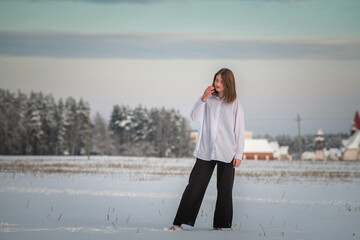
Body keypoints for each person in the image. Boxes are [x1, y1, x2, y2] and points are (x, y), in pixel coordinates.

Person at [170, 68, 245, 231]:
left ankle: (220, 226)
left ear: (228, 83)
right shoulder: (207, 100)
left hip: (227, 152)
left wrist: (238, 154)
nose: (217, 83)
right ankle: (178, 223)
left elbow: (239, 130)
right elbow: (194, 117)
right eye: (216, 80)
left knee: (225, 190)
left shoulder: (235, 103)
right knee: (194, 186)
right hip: (206, 150)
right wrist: (203, 98)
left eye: (221, 81)